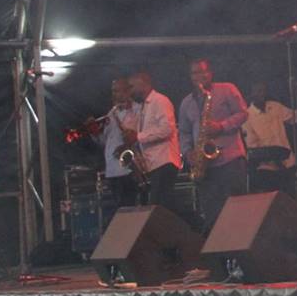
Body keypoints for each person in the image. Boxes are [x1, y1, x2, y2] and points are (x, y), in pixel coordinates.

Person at [179, 59, 250, 231]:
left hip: (230, 159)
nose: (199, 76)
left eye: (202, 71)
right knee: (212, 213)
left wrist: (222, 126)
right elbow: (184, 132)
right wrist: (188, 152)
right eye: (195, 73)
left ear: (211, 73)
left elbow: (243, 113)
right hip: (206, 166)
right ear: (190, 77)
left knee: (237, 209)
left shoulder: (227, 89)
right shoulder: (186, 102)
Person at [240, 78, 297, 197]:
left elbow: (295, 116)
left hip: (288, 163)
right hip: (267, 168)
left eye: (263, 90)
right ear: (251, 94)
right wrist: (271, 156)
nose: (262, 94)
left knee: (292, 198)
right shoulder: (247, 116)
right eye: (258, 91)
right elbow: (253, 145)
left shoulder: (275, 107)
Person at [126, 70, 184, 216]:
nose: (130, 91)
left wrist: (139, 137)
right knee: (164, 205)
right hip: (154, 163)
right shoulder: (142, 106)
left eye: (132, 86)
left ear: (143, 84)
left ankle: (191, 223)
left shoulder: (160, 101)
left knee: (159, 206)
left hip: (164, 161)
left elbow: (167, 129)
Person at [101, 77, 142, 208]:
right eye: (113, 91)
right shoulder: (111, 113)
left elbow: (141, 136)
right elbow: (104, 141)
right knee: (119, 210)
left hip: (129, 169)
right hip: (112, 169)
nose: (115, 94)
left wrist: (126, 145)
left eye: (119, 90)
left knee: (131, 207)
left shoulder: (138, 110)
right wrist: (94, 133)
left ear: (128, 91)